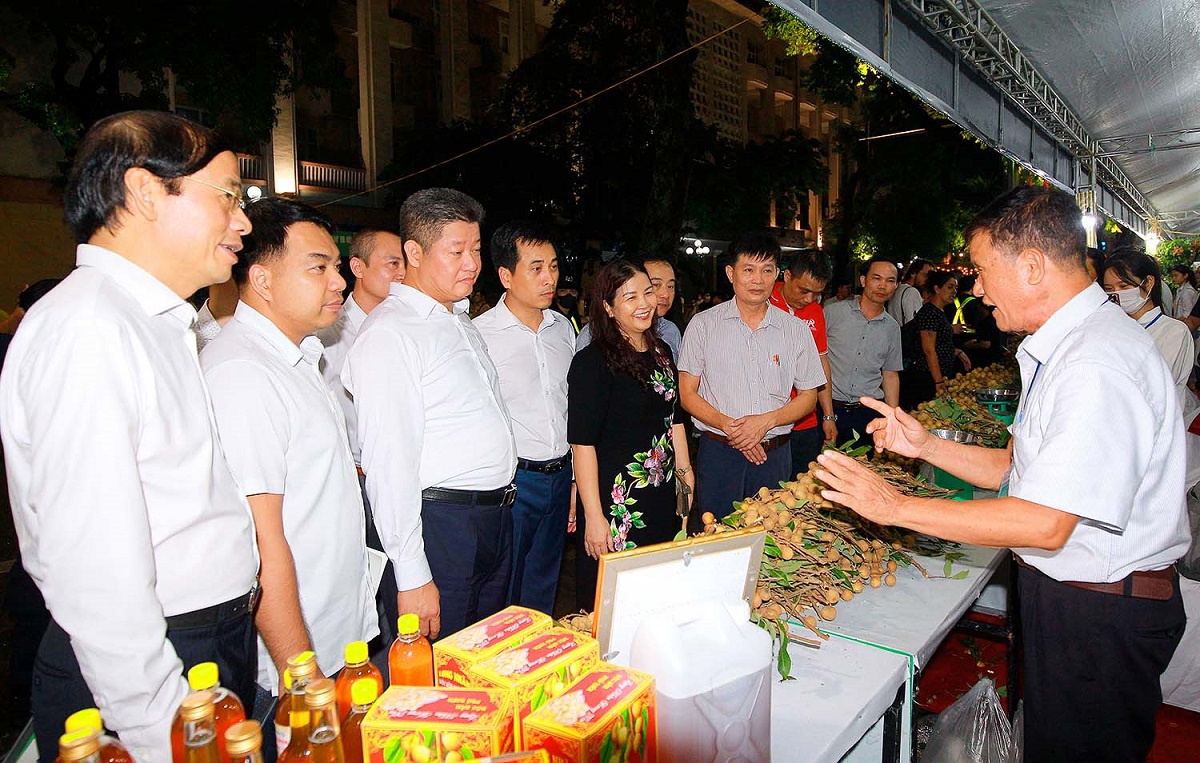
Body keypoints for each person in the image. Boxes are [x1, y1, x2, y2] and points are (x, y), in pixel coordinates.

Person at [815, 186, 1188, 763]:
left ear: (1032, 266)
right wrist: (927, 446)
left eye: (984, 271)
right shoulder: (1066, 348)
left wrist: (894, 506)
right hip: (1075, 598)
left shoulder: (1094, 363)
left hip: (1098, 611)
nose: (978, 290)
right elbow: (1015, 468)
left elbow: (1044, 523)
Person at [0, 111, 259, 761]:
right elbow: (95, 568)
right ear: (145, 191)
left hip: (199, 645)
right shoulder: (89, 326)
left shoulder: (153, 321)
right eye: (228, 196)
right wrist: (161, 728)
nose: (243, 222)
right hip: (149, 669)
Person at [201, 198, 376, 722]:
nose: (339, 283)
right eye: (318, 268)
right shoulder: (243, 373)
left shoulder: (296, 359)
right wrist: (300, 671)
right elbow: (261, 539)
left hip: (334, 632)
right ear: (262, 279)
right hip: (291, 665)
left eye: (337, 267)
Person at [343, 188, 516, 640]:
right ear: (415, 253)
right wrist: (412, 573)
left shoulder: (456, 319)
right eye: (456, 251)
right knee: (439, 665)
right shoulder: (391, 333)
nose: (472, 264)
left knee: (483, 656)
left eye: (475, 249)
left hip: (492, 518)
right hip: (441, 525)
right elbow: (388, 463)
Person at [568, 259, 694, 610]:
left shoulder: (662, 353)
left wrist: (685, 475)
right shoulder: (592, 363)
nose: (644, 304)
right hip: (616, 504)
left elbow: (675, 419)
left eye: (648, 293)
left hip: (662, 496)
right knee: (614, 604)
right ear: (608, 307)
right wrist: (594, 517)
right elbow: (582, 444)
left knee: (660, 597)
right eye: (630, 297)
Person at [678, 234, 825, 519]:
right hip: (720, 454)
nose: (758, 280)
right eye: (748, 270)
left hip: (774, 455)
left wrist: (765, 422)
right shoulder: (703, 325)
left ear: (777, 274)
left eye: (767, 270)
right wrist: (735, 431)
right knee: (718, 534)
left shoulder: (795, 330)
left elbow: (809, 396)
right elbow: (687, 393)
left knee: (772, 537)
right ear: (730, 273)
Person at [474, 221, 575, 616]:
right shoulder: (480, 335)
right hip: (513, 482)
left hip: (559, 476)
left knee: (544, 582)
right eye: (536, 268)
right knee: (504, 589)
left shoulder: (562, 328)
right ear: (506, 276)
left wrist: (572, 481)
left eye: (553, 266)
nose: (549, 278)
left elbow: (567, 405)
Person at [316, 228, 405, 643]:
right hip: (359, 480)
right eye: (392, 263)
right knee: (374, 595)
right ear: (357, 267)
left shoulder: (404, 324)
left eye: (405, 262)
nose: (402, 272)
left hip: (407, 477)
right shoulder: (329, 332)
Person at [1100, 248, 1200, 488]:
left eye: (1124, 286)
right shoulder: (1111, 329)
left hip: (1155, 446)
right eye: (1109, 289)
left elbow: (1151, 391)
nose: (1117, 295)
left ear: (1148, 283)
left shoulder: (1173, 332)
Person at [768, 250, 838, 472]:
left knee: (801, 482)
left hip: (805, 421)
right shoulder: (763, 302)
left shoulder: (815, 311)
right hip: (768, 422)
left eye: (816, 294)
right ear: (787, 276)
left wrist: (828, 415)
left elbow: (821, 363)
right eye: (804, 290)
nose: (808, 299)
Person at [823, 257, 903, 443]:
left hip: (868, 413)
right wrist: (827, 414)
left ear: (896, 286)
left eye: (890, 281)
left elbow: (890, 374)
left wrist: (892, 417)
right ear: (863, 280)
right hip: (829, 409)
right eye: (876, 278)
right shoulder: (832, 313)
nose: (882, 286)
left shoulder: (892, 328)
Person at [577, 256, 682, 359]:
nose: (665, 294)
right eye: (656, 285)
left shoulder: (668, 335)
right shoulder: (592, 340)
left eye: (670, 286)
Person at [904, 270, 972, 409]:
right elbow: (928, 349)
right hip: (927, 378)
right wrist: (938, 381)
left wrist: (957, 352)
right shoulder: (929, 312)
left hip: (937, 376)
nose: (954, 292)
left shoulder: (939, 312)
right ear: (937, 288)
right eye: (949, 287)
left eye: (956, 288)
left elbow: (939, 343)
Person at [887, 257, 932, 325]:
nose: (928, 279)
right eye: (926, 275)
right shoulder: (911, 292)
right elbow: (916, 323)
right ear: (913, 273)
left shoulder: (898, 289)